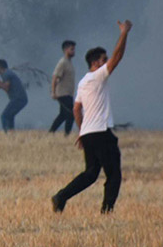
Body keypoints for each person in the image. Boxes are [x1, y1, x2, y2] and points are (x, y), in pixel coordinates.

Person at [52, 20, 133, 215]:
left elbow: (76, 109)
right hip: (101, 133)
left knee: (90, 174)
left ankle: (60, 197)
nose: (107, 62)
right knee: (114, 174)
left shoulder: (82, 83)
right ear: (96, 63)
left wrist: (82, 132)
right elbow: (118, 56)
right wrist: (124, 33)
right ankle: (107, 212)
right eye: (103, 60)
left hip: (88, 134)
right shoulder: (98, 76)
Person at [49, 40, 78, 135]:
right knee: (70, 114)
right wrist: (53, 92)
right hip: (63, 93)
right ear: (66, 50)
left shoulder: (69, 63)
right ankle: (66, 134)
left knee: (63, 115)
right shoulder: (63, 62)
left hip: (68, 93)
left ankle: (52, 132)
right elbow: (55, 77)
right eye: (71, 49)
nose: (74, 51)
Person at [0, 60, 28, 132]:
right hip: (21, 98)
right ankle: (11, 133)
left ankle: (6, 134)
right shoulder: (7, 73)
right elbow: (1, 87)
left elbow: (6, 87)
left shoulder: (6, 74)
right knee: (10, 116)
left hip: (18, 98)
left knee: (4, 116)